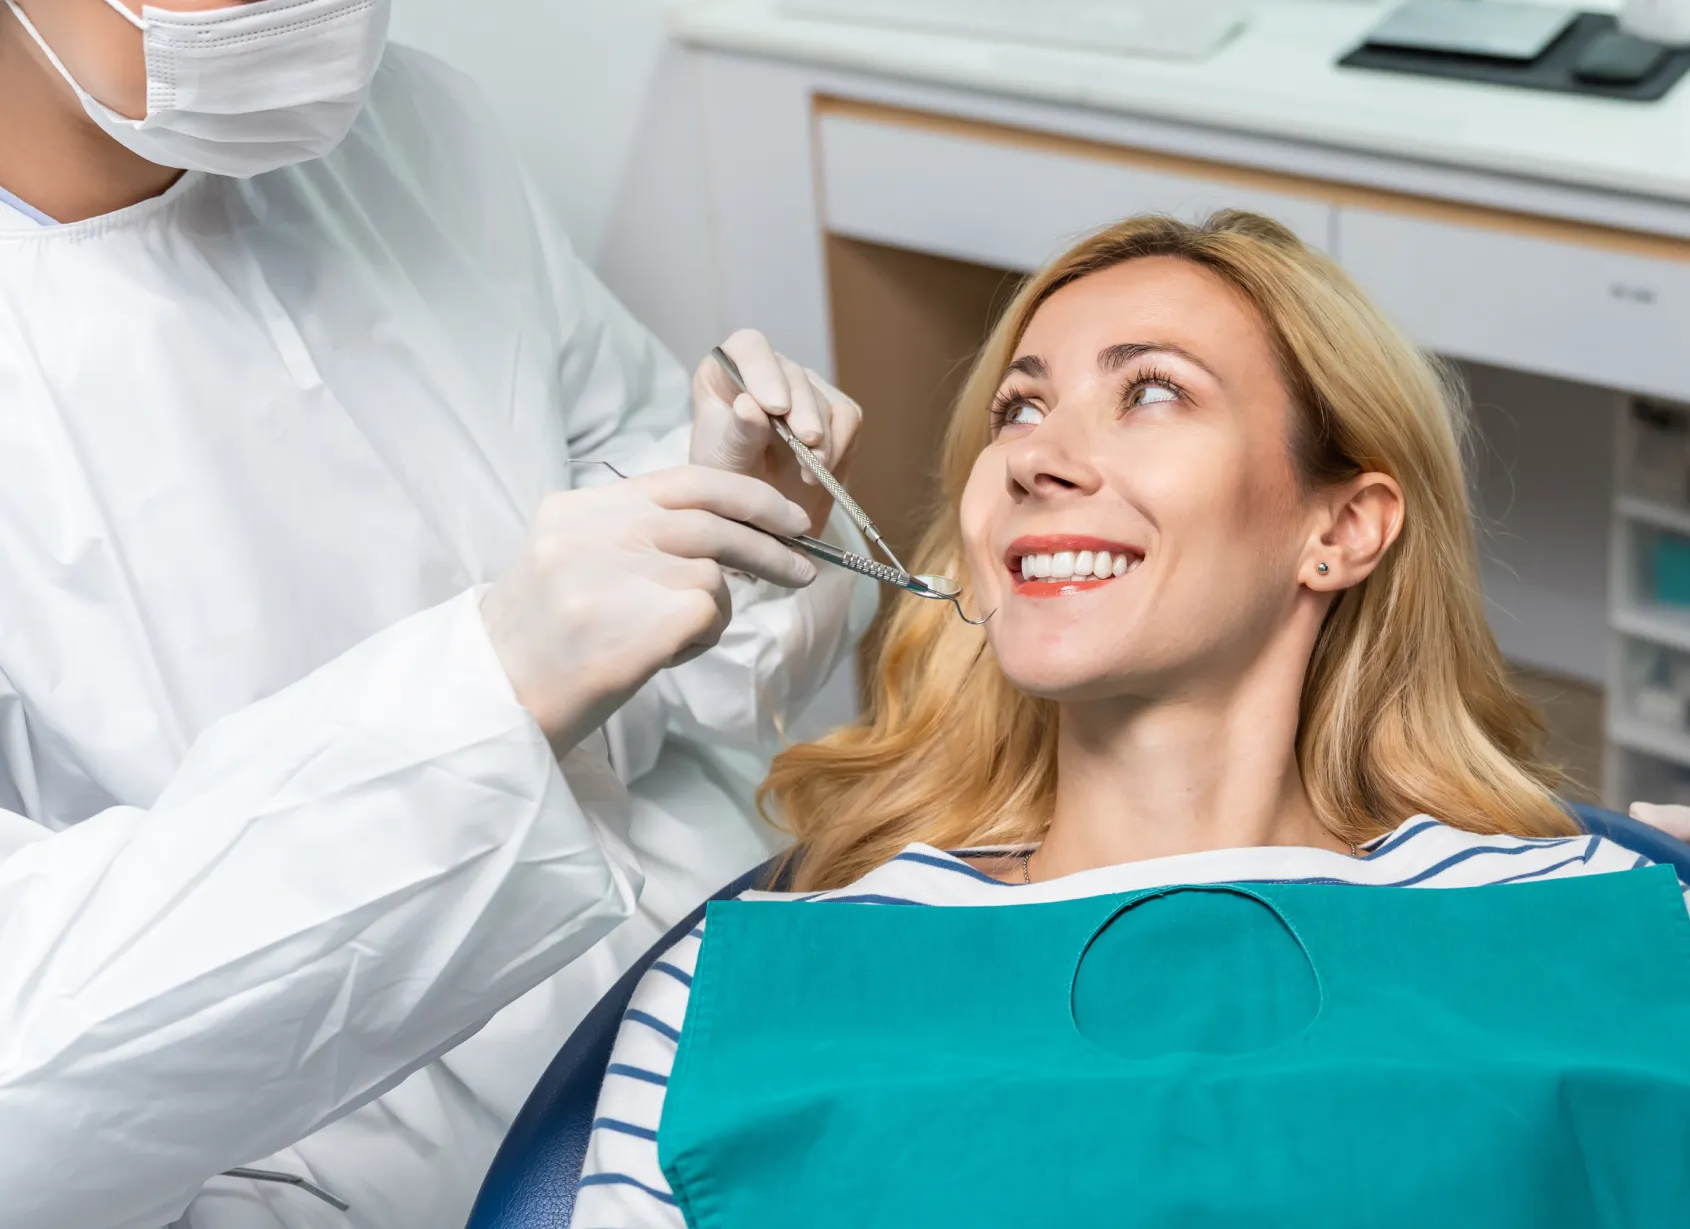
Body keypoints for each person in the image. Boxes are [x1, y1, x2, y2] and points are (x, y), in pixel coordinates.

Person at [0, 0, 872, 1227]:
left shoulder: (417, 138)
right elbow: (32, 1072)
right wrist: (485, 694)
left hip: (703, 1002)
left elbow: (667, 598)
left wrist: (725, 510)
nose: (340, 15)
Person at [579, 210, 1690, 1227]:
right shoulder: (743, 1000)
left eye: (1151, 391)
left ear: (1342, 528)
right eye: (1019, 407)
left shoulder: (1598, 929)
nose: (1034, 457)